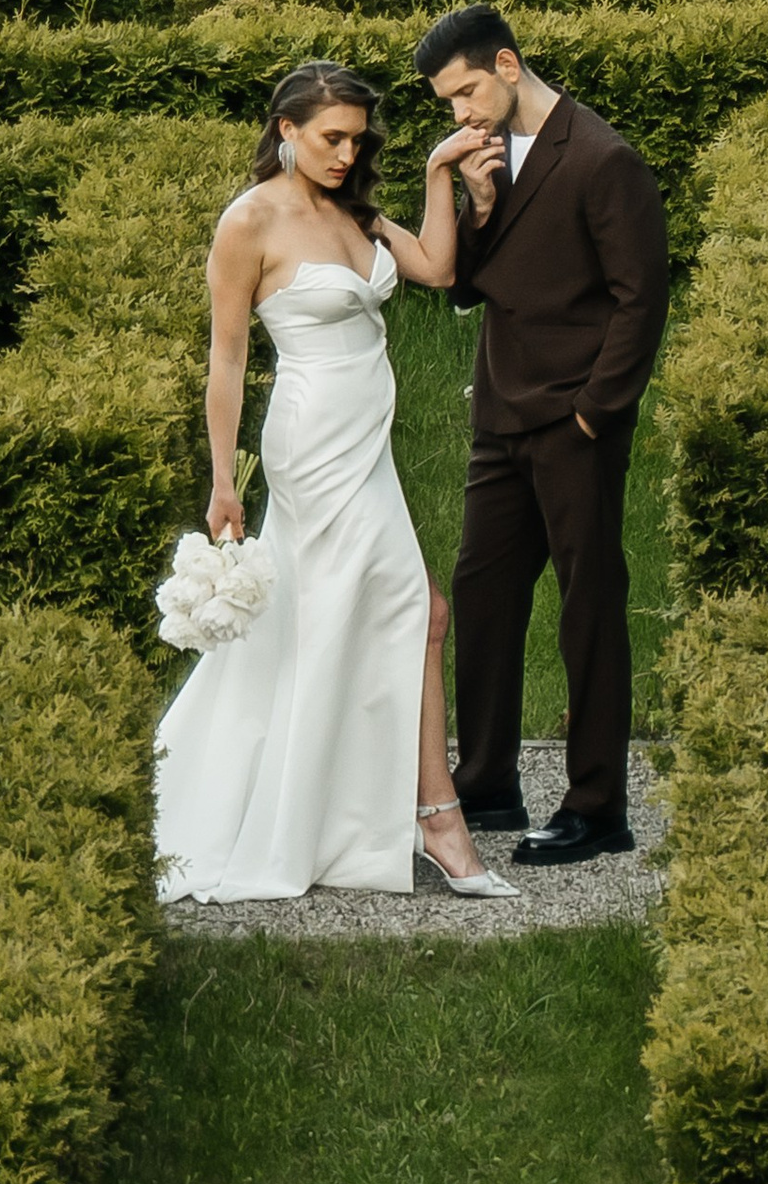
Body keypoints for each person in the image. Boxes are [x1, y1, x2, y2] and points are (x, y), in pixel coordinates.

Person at [155, 60, 511, 905]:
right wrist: (222, 480)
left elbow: (431, 268)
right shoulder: (250, 222)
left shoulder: (354, 210)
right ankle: (437, 816)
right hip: (313, 440)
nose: (347, 153)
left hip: (367, 436)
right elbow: (229, 357)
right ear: (286, 131)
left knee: (344, 613)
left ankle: (355, 800)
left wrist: (437, 176)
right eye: (330, 138)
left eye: (357, 139)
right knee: (420, 607)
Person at [415, 5, 672, 868]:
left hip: (574, 423)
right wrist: (479, 200)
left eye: (465, 93)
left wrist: (597, 412)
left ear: (509, 64)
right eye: (447, 103)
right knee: (481, 595)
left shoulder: (605, 159)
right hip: (500, 415)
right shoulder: (493, 155)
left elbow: (642, 299)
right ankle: (487, 781)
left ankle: (599, 807)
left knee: (587, 604)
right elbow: (465, 290)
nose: (460, 115)